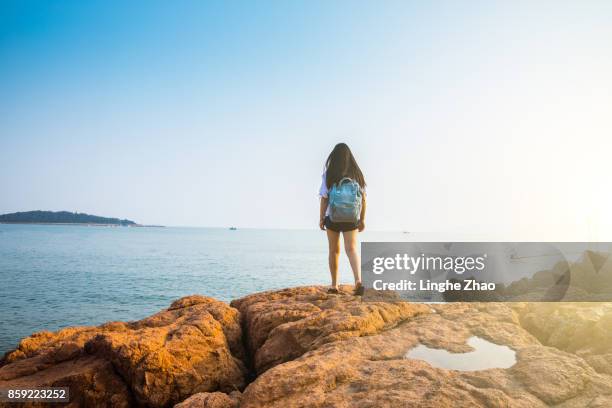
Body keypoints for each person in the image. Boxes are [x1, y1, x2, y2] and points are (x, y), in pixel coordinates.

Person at [318, 143, 367, 295]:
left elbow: (324, 198)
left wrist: (321, 218)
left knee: (334, 251)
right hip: (351, 218)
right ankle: (358, 281)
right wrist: (362, 219)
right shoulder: (357, 174)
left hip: (332, 218)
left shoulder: (329, 173)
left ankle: (334, 285)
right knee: (352, 249)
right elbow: (364, 199)